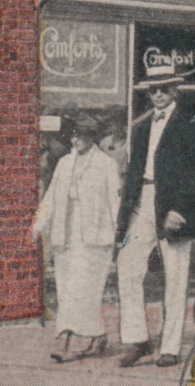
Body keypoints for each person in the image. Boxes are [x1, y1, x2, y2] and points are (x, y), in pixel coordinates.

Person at [115, 63, 195, 368]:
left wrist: (180, 209)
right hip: (143, 199)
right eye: (153, 89)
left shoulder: (190, 125)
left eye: (164, 88)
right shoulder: (142, 127)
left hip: (172, 204)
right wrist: (125, 210)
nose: (158, 94)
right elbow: (134, 172)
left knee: (176, 275)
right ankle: (137, 339)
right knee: (127, 265)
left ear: (174, 90)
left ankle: (169, 346)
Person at [31, 114, 120, 362]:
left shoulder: (106, 164)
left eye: (79, 135)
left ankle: (66, 341)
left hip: (95, 240)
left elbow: (115, 202)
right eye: (71, 135)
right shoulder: (64, 163)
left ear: (91, 136)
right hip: (66, 237)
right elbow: (50, 197)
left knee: (83, 291)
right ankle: (97, 335)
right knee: (68, 290)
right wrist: (37, 225)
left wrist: (120, 236)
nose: (75, 140)